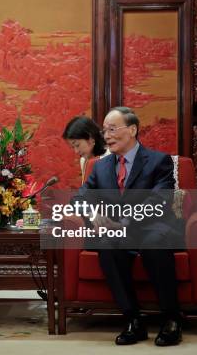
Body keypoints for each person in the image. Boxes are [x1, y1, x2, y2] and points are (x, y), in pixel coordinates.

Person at [72, 106, 183, 346]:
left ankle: (171, 318)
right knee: (106, 245)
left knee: (154, 242)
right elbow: (79, 198)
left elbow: (159, 201)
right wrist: (93, 213)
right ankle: (133, 319)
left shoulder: (158, 161)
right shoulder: (100, 167)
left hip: (152, 226)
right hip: (117, 232)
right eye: (104, 131)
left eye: (113, 129)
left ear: (132, 130)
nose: (107, 136)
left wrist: (121, 221)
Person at [62, 116, 107, 183]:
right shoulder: (83, 161)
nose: (76, 151)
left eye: (77, 145)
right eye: (73, 147)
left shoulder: (111, 158)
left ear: (90, 138)